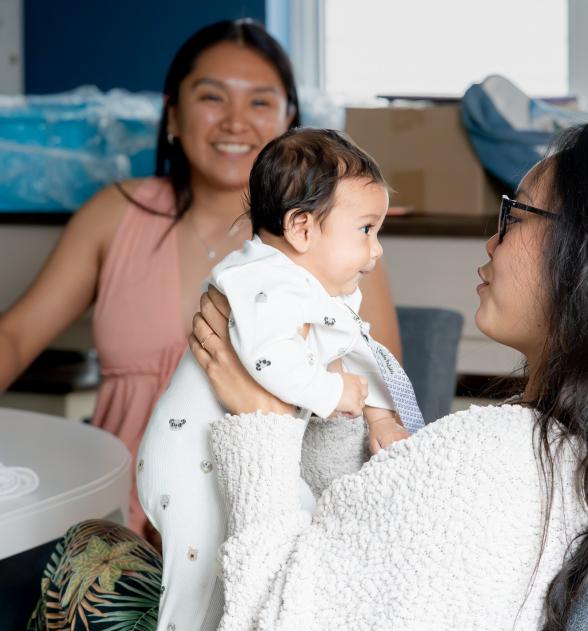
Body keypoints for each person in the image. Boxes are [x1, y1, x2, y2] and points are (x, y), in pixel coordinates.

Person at [181, 121, 588, 631]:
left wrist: (259, 420)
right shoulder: (587, 462)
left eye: (515, 216)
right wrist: (346, 415)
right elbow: (363, 550)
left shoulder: (493, 462)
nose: (492, 239)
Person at [0, 19, 401, 537]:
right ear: (173, 115)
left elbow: (374, 385)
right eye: (212, 97)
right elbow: (14, 336)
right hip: (115, 516)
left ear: (291, 124)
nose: (235, 122)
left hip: (264, 513)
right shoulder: (112, 214)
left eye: (259, 102)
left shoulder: (342, 244)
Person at [137, 128, 418, 631]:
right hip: (188, 457)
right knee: (196, 585)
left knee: (289, 546)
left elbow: (358, 349)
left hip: (242, 450)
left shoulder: (315, 287)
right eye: (365, 230)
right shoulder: (261, 278)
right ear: (302, 227)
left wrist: (379, 416)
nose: (376, 251)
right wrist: (331, 394)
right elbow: (268, 360)